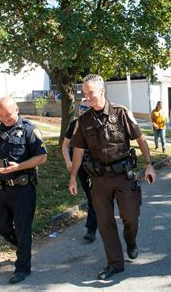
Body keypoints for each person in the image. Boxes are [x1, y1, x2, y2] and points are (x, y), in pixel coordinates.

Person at [69, 74, 157, 280]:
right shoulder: (83, 121)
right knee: (105, 222)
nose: (87, 96)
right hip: (99, 180)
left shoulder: (121, 113)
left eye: (90, 92)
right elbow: (78, 151)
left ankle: (131, 241)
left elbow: (141, 140)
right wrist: (73, 176)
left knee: (130, 218)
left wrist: (150, 165)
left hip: (123, 176)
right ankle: (115, 263)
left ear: (102, 91)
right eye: (84, 93)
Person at [0, 97, 48, 284]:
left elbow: (42, 157)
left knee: (22, 228)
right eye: (1, 115)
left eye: (8, 115)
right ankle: (23, 247)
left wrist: (18, 167)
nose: (5, 119)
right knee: (0, 225)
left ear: (16, 110)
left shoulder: (28, 129)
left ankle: (22, 267)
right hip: (1, 189)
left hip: (23, 189)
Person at [62, 98, 97, 242]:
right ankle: (94, 224)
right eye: (81, 107)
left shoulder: (97, 124)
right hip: (80, 166)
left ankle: (91, 228)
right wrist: (68, 161)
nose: (82, 110)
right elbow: (65, 146)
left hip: (96, 166)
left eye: (86, 108)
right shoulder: (74, 124)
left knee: (95, 196)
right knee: (91, 196)